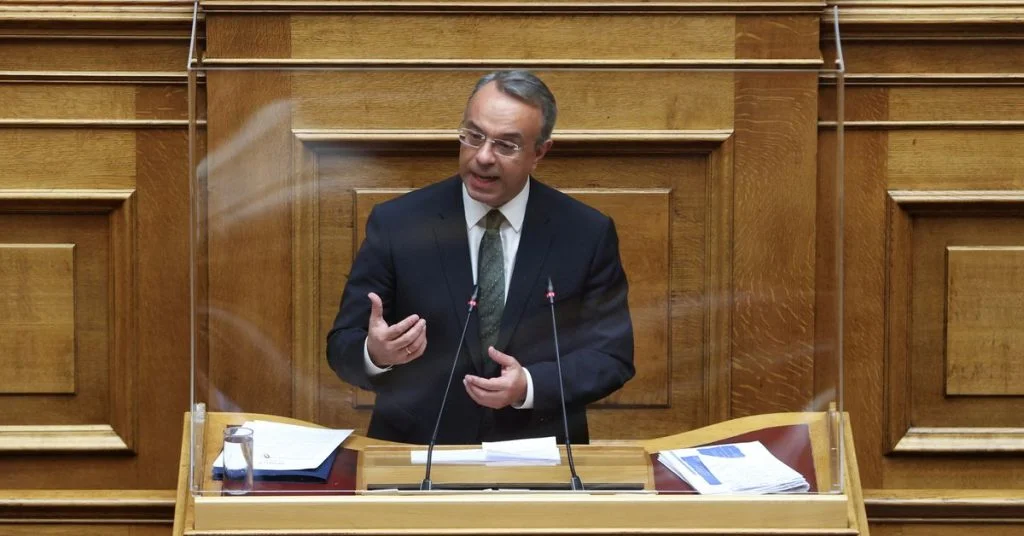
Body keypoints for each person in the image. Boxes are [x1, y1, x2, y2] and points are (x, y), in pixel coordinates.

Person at [326, 70, 634, 444]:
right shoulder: (398, 223)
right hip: (417, 450)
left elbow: (611, 357)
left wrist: (529, 385)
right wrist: (375, 353)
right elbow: (343, 344)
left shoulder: (586, 233)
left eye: (506, 145)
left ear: (539, 152)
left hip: (536, 453)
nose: (483, 157)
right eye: (473, 137)